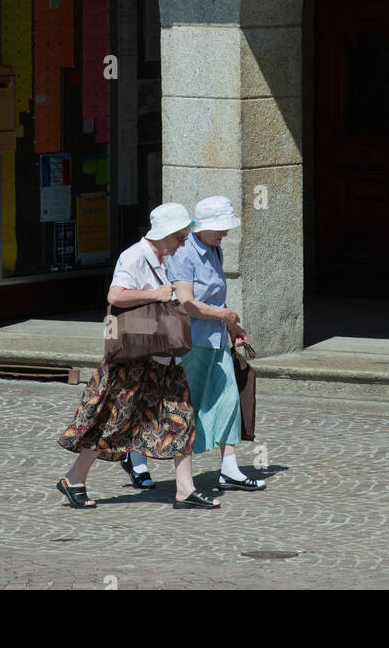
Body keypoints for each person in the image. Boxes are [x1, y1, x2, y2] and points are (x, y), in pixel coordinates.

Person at [55, 202, 220, 510]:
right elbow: (115, 296)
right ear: (164, 234)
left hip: (162, 357)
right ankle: (74, 479)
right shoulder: (134, 255)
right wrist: (155, 295)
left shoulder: (163, 257)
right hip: (133, 359)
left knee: (182, 418)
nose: (183, 243)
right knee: (114, 421)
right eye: (180, 237)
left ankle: (185, 490)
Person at [167, 195, 266, 492]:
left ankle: (229, 468)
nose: (225, 233)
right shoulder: (184, 252)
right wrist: (224, 315)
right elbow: (186, 303)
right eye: (220, 228)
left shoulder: (214, 249)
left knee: (228, 399)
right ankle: (138, 457)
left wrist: (233, 327)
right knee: (186, 405)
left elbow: (217, 298)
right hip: (190, 340)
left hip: (215, 338)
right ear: (202, 227)